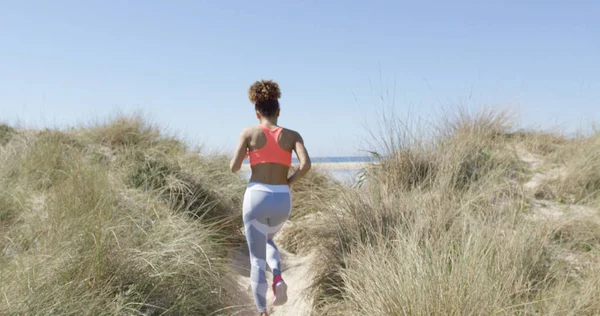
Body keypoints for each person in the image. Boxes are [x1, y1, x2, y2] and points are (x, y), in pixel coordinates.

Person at [230, 79, 311, 316]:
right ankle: (277, 276)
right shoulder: (292, 135)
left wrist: (247, 152)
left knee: (256, 259)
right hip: (281, 198)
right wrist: (289, 181)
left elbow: (234, 167)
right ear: (278, 111)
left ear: (257, 113)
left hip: (256, 195)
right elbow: (306, 165)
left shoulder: (249, 132)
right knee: (267, 241)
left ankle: (262, 311)